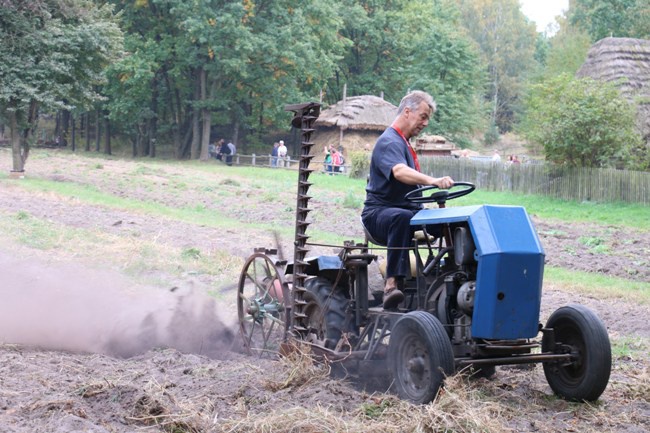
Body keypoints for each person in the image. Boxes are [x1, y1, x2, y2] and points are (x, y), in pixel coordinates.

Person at [361, 90, 454, 309]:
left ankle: (454, 272)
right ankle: (391, 285)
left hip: (409, 212)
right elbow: (399, 172)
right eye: (423, 116)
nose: (426, 123)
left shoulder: (405, 144)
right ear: (407, 111)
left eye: (427, 118)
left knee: (451, 221)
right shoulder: (389, 142)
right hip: (378, 215)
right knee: (400, 217)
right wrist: (432, 181)